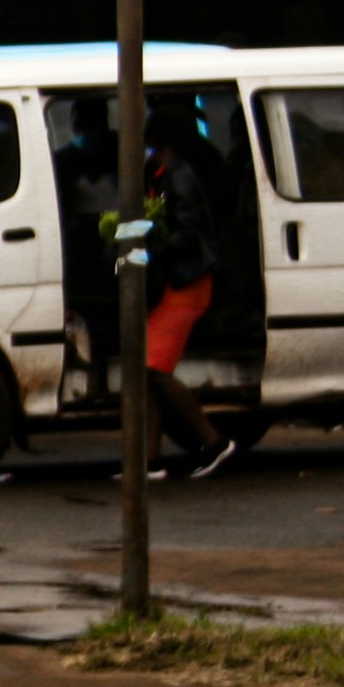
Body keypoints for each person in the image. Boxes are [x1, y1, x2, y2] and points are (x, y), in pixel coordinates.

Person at [134, 104, 236, 481]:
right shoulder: (161, 173)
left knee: (153, 369)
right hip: (174, 284)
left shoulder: (180, 177)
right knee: (147, 373)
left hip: (187, 286)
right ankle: (149, 460)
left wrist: (147, 249)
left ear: (160, 143)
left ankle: (214, 441)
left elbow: (187, 233)